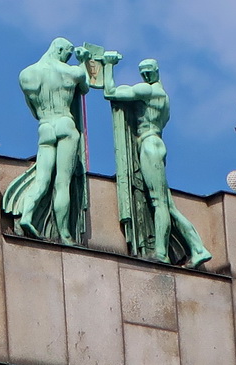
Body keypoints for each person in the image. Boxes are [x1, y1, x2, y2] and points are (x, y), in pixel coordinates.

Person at [102, 52, 212, 267]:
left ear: (155, 71)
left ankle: (161, 252)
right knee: (167, 204)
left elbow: (110, 93)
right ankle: (198, 248)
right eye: (142, 71)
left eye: (147, 70)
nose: (144, 74)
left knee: (158, 201)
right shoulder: (164, 96)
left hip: (150, 144)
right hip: (155, 143)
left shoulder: (148, 90)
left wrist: (108, 66)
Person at [13, 37, 91, 243]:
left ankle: (27, 216)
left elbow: (33, 110)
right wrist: (83, 61)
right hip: (65, 124)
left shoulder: (27, 74)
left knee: (42, 179)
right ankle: (64, 234)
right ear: (60, 50)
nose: (68, 57)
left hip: (45, 126)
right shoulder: (71, 72)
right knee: (62, 182)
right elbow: (84, 88)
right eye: (68, 53)